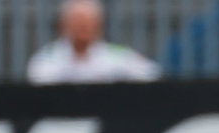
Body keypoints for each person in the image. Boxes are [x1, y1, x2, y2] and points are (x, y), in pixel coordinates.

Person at [27, 0, 160, 85]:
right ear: (64, 24)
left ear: (98, 24)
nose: (82, 27)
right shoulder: (48, 57)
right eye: (77, 21)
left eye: (87, 22)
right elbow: (38, 78)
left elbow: (152, 73)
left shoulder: (116, 54)